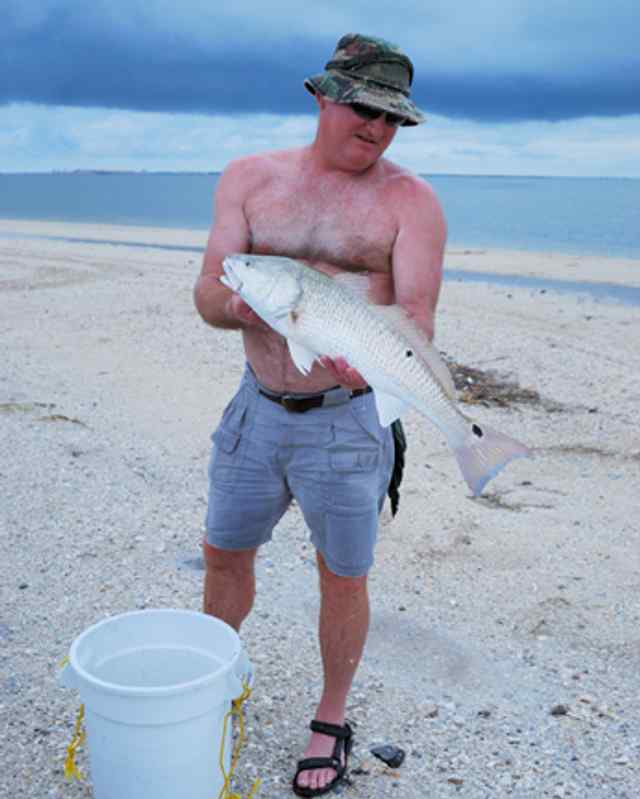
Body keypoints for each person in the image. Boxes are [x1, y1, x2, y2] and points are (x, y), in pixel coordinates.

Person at [193, 33, 446, 797]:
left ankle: (330, 717)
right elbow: (209, 292)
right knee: (223, 552)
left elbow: (415, 320)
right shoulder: (249, 178)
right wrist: (243, 307)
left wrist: (371, 363)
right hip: (257, 407)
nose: (378, 127)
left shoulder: (413, 203)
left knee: (342, 574)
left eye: (393, 117)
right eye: (365, 107)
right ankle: (211, 679)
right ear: (323, 95)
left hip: (348, 418)